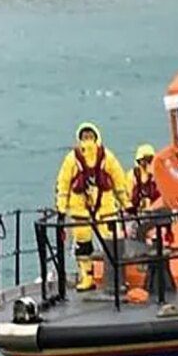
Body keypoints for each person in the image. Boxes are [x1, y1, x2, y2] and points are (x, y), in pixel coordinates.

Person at [55, 122, 131, 292]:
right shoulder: (72, 160)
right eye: (84, 137)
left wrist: (126, 204)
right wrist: (61, 209)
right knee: (83, 245)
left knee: (112, 244)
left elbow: (119, 182)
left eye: (90, 137)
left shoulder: (107, 158)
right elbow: (63, 184)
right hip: (80, 211)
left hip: (105, 210)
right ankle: (87, 276)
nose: (87, 141)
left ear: (97, 138)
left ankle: (115, 278)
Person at [128, 144, 161, 213]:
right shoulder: (132, 175)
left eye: (149, 159)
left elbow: (163, 198)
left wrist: (152, 207)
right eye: (144, 160)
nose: (146, 163)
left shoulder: (158, 175)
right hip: (138, 214)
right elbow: (129, 198)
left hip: (157, 213)